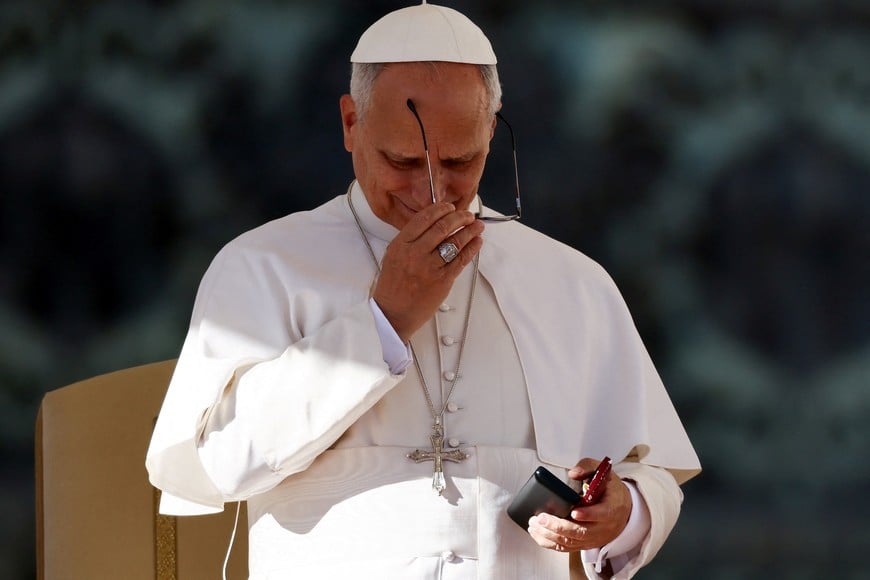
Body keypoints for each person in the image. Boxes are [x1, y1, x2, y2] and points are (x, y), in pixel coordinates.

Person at [147, 2, 700, 578]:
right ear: (350, 123)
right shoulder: (261, 266)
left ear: (492, 127)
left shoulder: (572, 281)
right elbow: (217, 463)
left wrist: (623, 513)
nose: (432, 192)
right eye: (402, 160)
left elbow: (648, 476)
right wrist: (384, 319)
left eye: (461, 161)